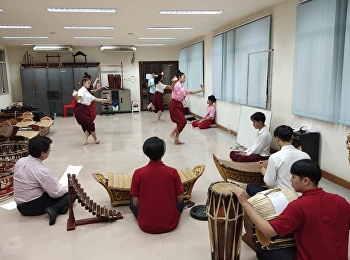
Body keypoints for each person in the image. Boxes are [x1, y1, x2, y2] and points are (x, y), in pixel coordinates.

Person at [232, 159, 350, 260]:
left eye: (293, 177)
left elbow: (268, 231)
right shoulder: (341, 201)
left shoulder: (298, 206)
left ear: (305, 181)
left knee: (262, 248)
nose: (290, 180)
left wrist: (245, 203)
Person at [13, 136, 74, 226]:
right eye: (49, 150)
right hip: (34, 206)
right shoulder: (42, 171)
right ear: (43, 153)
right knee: (72, 193)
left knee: (51, 190)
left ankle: (61, 208)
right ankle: (55, 209)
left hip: (20, 207)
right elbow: (55, 193)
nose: (49, 152)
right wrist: (67, 188)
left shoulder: (20, 161)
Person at [130, 137, 184, 234]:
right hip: (170, 224)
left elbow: (136, 203)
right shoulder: (172, 172)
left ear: (145, 152)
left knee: (131, 202)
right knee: (181, 202)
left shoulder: (138, 173)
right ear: (163, 152)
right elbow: (179, 199)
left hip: (146, 225)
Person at [246, 125, 310, 196]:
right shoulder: (305, 156)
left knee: (250, 187)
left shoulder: (275, 157)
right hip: (301, 195)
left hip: (282, 196)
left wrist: (265, 173)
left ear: (277, 139)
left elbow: (269, 183)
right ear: (292, 137)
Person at [169, 70, 204, 145]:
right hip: (175, 104)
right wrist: (174, 82)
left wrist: (201, 90)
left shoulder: (181, 87)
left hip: (179, 104)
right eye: (183, 77)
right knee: (183, 122)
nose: (185, 79)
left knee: (180, 122)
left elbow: (191, 92)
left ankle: (176, 140)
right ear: (179, 78)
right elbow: (171, 88)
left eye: (185, 77)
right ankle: (172, 134)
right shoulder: (177, 84)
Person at [74, 75, 110, 145]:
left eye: (90, 83)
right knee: (90, 124)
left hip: (85, 109)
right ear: (84, 82)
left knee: (87, 126)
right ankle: (96, 139)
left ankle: (85, 141)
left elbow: (96, 99)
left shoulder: (87, 92)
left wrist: (106, 100)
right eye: (88, 83)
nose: (89, 84)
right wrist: (75, 95)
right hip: (80, 109)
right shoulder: (81, 90)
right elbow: (78, 98)